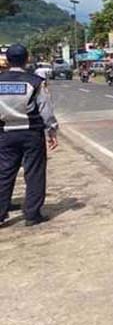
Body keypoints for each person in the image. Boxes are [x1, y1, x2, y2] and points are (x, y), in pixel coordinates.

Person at [0, 44, 58, 227]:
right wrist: (52, 130)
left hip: (5, 133)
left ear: (7, 61)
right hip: (31, 133)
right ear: (27, 59)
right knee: (34, 173)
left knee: (4, 173)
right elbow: (45, 109)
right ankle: (32, 214)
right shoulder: (35, 81)